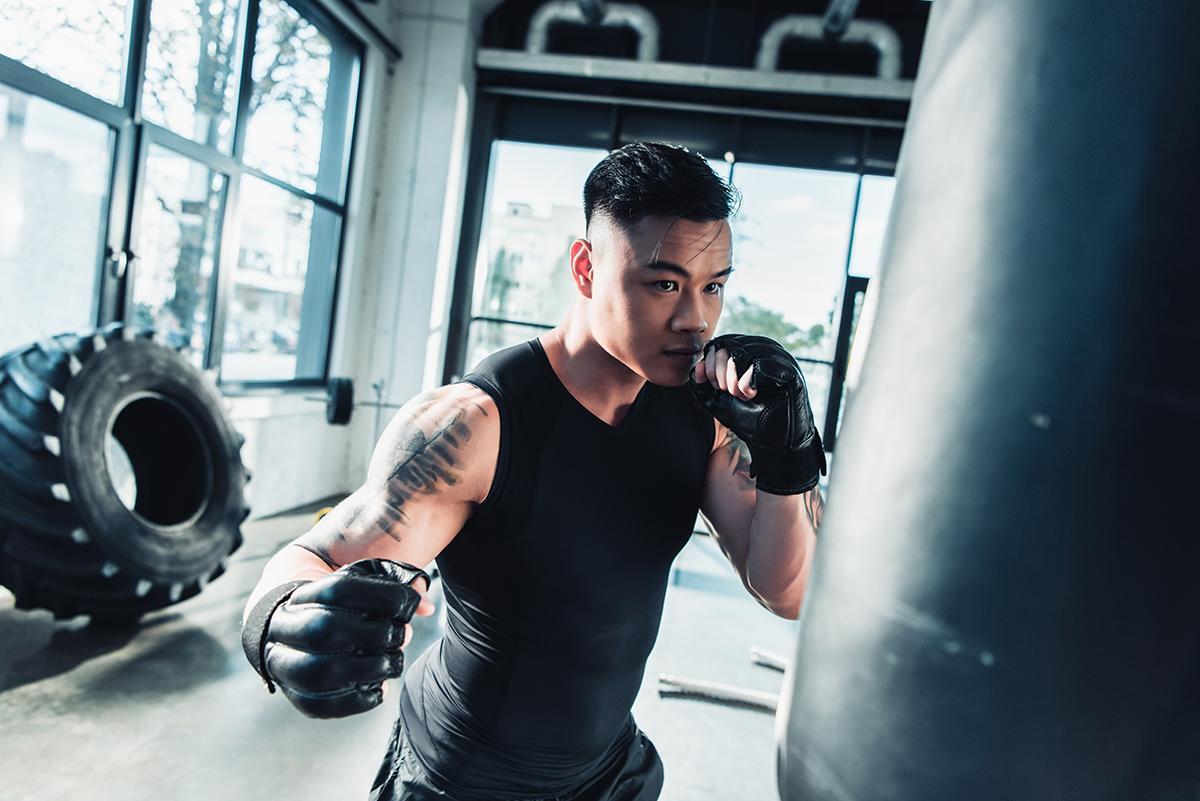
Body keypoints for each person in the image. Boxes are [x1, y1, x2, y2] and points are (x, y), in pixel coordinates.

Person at [240, 141, 826, 801]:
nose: (695, 319)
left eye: (713, 286)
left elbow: (788, 590)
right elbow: (312, 555)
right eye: (664, 283)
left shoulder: (702, 414)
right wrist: (278, 620)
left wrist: (788, 454)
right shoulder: (476, 425)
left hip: (606, 772)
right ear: (586, 267)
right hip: (462, 780)